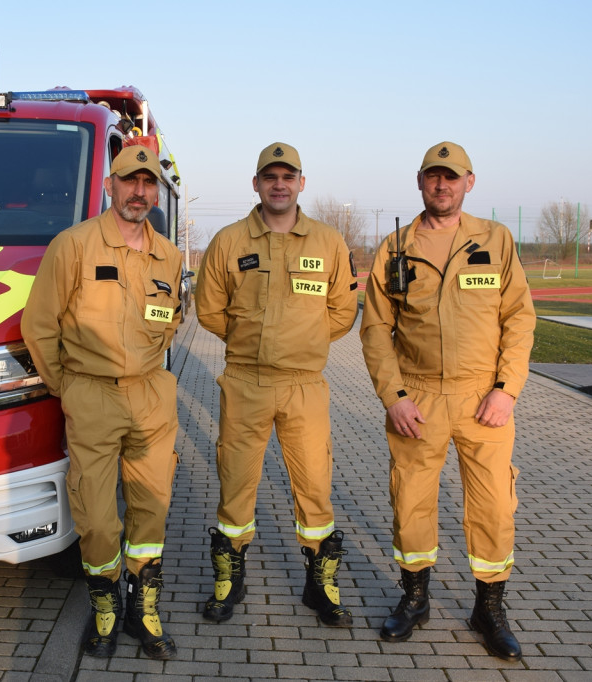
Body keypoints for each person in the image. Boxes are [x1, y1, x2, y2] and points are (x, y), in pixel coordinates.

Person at [360, 141, 536, 661]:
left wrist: (506, 391)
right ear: (420, 181)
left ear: (469, 182)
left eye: (452, 177)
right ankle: (414, 599)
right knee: (411, 503)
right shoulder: (395, 247)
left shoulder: (495, 240)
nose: (443, 185)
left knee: (494, 508)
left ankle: (490, 608)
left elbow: (520, 320)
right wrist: (393, 397)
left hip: (484, 398)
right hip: (418, 398)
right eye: (434, 176)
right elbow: (375, 330)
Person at [21, 145, 183, 660]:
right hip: (90, 393)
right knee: (95, 515)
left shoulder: (171, 255)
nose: (139, 192)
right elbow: (39, 325)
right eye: (129, 182)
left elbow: (171, 319)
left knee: (151, 509)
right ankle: (105, 604)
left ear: (156, 191)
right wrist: (64, 386)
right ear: (109, 185)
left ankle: (143, 604)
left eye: (148, 183)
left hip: (152, 395)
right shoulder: (73, 246)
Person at [194, 142, 359, 626]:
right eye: (271, 176)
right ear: (257, 183)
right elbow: (208, 308)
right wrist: (251, 341)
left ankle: (320, 584)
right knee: (236, 484)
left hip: (305, 385)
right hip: (245, 381)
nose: (280, 184)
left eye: (289, 176)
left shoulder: (328, 243)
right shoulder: (228, 241)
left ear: (302, 183)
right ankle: (229, 578)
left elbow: (343, 311)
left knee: (314, 486)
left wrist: (301, 343)